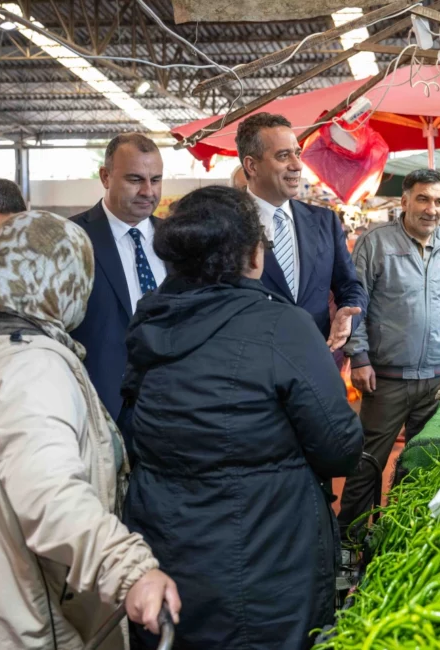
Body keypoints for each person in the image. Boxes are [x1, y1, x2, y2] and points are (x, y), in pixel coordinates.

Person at [0, 210, 180, 649]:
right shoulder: (29, 368)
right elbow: (50, 493)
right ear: (66, 281)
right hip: (7, 620)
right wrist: (130, 569)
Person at [121, 186, 362, 649]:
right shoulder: (282, 326)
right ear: (253, 256)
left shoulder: (149, 321)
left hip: (165, 554)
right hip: (266, 559)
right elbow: (339, 448)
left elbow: (134, 424)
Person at [340, 169, 440, 539]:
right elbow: (356, 304)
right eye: (423, 199)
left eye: (439, 201)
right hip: (387, 378)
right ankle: (348, 543)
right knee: (368, 464)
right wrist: (358, 357)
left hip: (437, 379)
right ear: (405, 201)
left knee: (421, 464)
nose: (431, 209)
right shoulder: (376, 243)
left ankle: (398, 537)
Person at [236, 112, 366, 355]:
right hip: (251, 368)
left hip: (315, 360)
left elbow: (350, 285)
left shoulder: (324, 221)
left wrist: (348, 315)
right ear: (251, 166)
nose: (297, 165)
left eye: (297, 153)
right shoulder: (226, 224)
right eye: (283, 156)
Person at [71, 133, 166, 438]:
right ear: (105, 176)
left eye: (156, 179)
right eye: (135, 179)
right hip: (99, 407)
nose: (148, 191)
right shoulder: (70, 238)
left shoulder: (179, 240)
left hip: (173, 405)